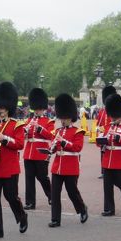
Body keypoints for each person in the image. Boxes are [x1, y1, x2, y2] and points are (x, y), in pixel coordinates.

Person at [0, 82, 28, 239]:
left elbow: (20, 144)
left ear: (7, 108)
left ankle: (22, 216)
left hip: (10, 167)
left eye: (2, 109)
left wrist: (5, 139)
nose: (0, 112)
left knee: (11, 197)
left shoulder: (17, 125)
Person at [48, 94, 88, 227]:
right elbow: (54, 148)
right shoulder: (57, 131)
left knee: (72, 192)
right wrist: (50, 149)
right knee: (55, 194)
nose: (62, 120)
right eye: (61, 118)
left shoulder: (78, 132)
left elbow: (77, 148)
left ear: (70, 118)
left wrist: (63, 142)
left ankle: (82, 209)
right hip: (57, 166)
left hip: (71, 167)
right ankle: (55, 219)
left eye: (64, 118)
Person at [22, 88, 53, 209]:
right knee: (29, 178)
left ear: (43, 109)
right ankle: (30, 202)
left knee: (42, 177)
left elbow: (51, 136)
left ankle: (51, 196)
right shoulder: (28, 120)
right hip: (28, 153)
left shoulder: (49, 121)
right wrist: (26, 131)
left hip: (41, 153)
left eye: (39, 109)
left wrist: (39, 128)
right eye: (36, 109)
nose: (37, 111)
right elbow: (23, 136)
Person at [95, 86, 117, 179]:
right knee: (102, 154)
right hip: (103, 136)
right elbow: (99, 123)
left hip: (112, 135)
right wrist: (98, 129)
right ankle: (103, 171)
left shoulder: (114, 112)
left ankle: (114, 170)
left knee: (113, 153)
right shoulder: (102, 112)